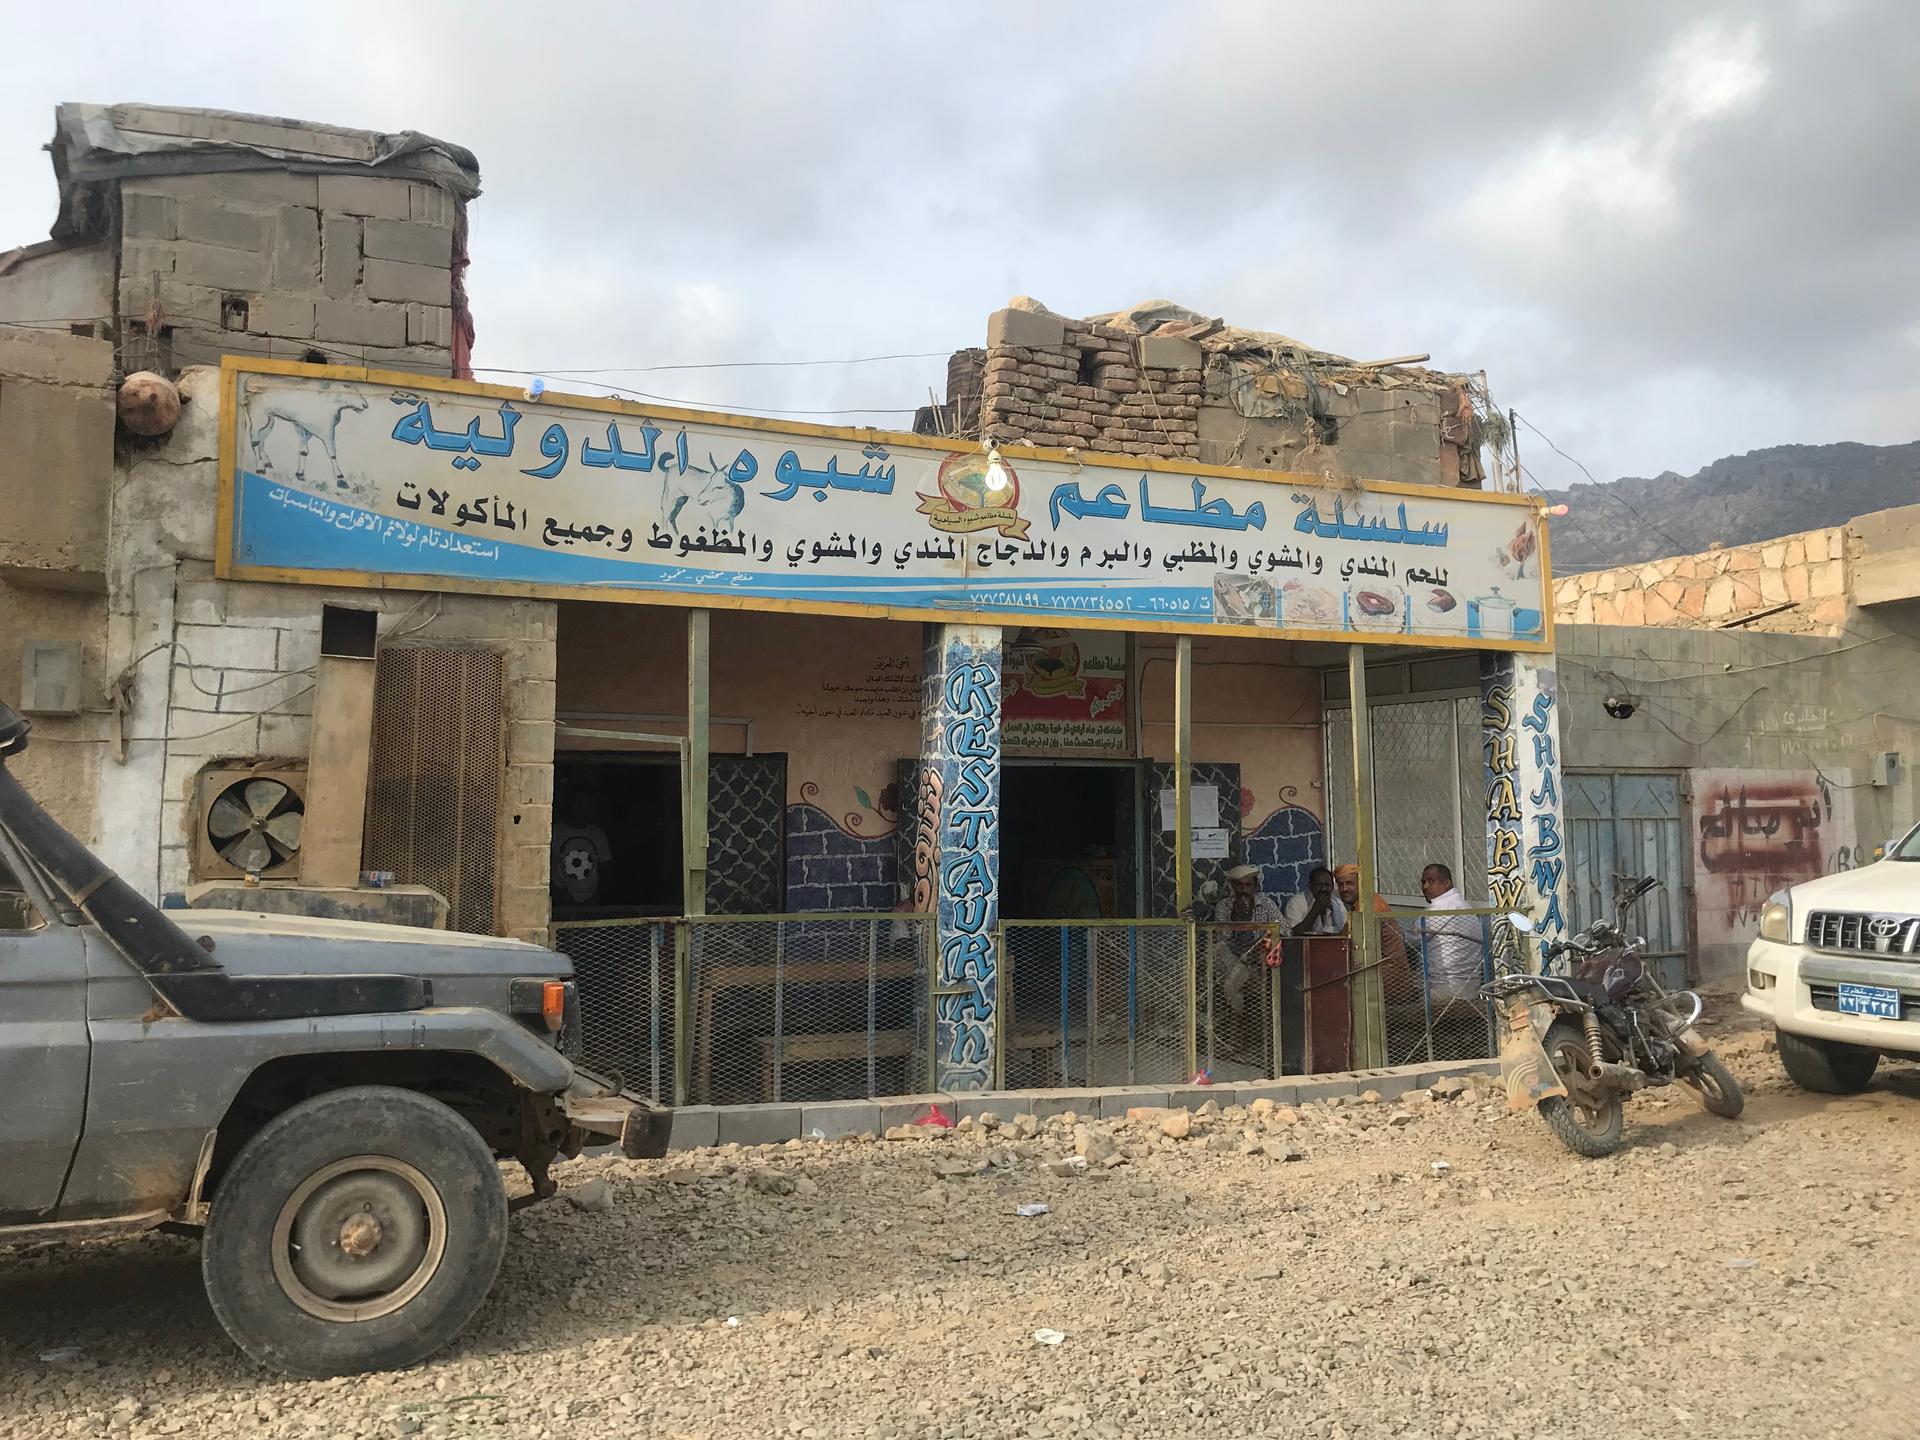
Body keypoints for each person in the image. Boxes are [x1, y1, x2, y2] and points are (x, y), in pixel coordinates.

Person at [1211, 863, 1283, 1017]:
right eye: (1238, 885)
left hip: (1258, 960)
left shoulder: (1265, 903)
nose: (1243, 890)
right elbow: (1222, 939)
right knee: (1219, 948)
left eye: (1248, 885)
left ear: (1255, 886)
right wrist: (1236, 919)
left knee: (1234, 983)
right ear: (1232, 887)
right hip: (1231, 961)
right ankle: (1250, 984)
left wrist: (1266, 942)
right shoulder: (1224, 906)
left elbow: (1285, 930)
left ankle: (1240, 995)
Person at [1333, 864, 1413, 1001]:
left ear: (1362, 883)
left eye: (1349, 883)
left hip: (1387, 980)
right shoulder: (1363, 903)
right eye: (1340, 885)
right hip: (1382, 977)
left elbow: (1350, 941)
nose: (1344, 889)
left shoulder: (1369, 906)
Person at [1416, 862, 1485, 1004]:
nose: (1425, 887)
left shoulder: (1434, 912)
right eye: (1423, 882)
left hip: (1443, 991)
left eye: (1431, 881)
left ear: (1447, 882)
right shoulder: (1467, 908)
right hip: (1472, 990)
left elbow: (1409, 940)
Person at [1282, 866, 1349, 937]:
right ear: (1310, 886)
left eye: (1327, 885)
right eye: (1319, 885)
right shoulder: (1296, 903)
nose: (1323, 888)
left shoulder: (1338, 904)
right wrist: (1316, 908)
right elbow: (1293, 934)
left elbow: (1344, 932)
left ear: (1332, 886)